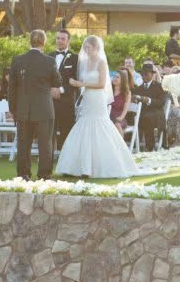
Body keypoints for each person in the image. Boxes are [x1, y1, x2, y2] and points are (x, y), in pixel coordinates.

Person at [55, 36, 137, 178]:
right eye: (85, 47)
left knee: (100, 126)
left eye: (89, 47)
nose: (86, 50)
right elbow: (83, 80)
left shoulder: (101, 62)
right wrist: (77, 83)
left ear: (96, 48)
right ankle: (77, 167)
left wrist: (81, 84)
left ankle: (103, 165)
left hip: (98, 99)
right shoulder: (84, 62)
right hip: (87, 99)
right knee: (84, 126)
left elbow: (101, 84)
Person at [9, 30, 62, 180]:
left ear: (30, 41)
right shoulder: (50, 61)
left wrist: (13, 109)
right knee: (45, 144)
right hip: (44, 108)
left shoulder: (17, 60)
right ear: (44, 42)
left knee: (23, 144)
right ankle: (44, 175)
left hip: (23, 108)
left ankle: (23, 174)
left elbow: (11, 88)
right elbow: (57, 82)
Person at [52, 29, 78, 149]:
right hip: (49, 100)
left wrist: (60, 90)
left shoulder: (75, 58)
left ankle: (65, 160)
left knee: (66, 131)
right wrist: (51, 90)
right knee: (48, 131)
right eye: (58, 38)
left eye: (63, 39)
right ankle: (47, 159)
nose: (60, 41)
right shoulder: (48, 56)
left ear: (68, 41)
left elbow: (75, 79)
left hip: (66, 102)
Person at [132, 63, 167, 151]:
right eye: (142, 74)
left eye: (146, 74)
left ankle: (150, 147)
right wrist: (135, 99)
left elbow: (162, 102)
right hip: (142, 113)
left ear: (152, 74)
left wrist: (149, 100)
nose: (143, 76)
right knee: (131, 117)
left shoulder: (159, 86)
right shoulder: (138, 89)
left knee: (148, 118)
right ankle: (132, 144)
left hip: (156, 114)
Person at [110, 68, 133, 133]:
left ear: (122, 80)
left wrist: (121, 117)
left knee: (117, 125)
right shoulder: (109, 91)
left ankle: (120, 143)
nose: (114, 78)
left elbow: (125, 109)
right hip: (108, 117)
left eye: (117, 77)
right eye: (114, 76)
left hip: (119, 118)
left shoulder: (127, 93)